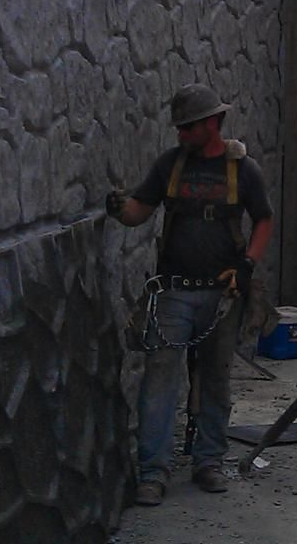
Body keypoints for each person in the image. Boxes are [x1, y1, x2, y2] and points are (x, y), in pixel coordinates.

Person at [107, 83, 274, 503]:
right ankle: (153, 472)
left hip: (222, 296)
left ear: (211, 124)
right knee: (160, 378)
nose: (181, 135)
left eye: (188, 127)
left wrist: (247, 265)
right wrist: (120, 209)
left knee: (215, 379)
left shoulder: (243, 170)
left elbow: (264, 220)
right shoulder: (170, 166)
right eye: (179, 128)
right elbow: (140, 210)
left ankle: (208, 462)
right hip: (174, 291)